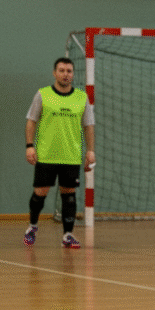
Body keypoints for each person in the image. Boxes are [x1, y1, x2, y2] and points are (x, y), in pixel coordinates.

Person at [23, 57, 95, 249]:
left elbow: (88, 125)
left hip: (71, 156)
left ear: (73, 74)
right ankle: (32, 226)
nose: (66, 74)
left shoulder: (81, 97)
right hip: (46, 155)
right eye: (62, 70)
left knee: (69, 195)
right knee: (40, 193)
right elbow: (31, 120)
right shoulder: (43, 94)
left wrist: (90, 151)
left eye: (69, 71)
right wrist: (30, 146)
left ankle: (68, 235)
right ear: (55, 73)